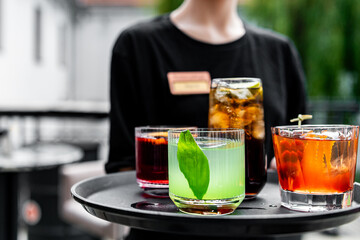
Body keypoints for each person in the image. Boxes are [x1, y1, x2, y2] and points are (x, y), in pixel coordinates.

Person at [106, 0, 306, 239]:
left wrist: (287, 169)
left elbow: (298, 156)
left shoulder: (279, 51)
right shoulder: (137, 46)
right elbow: (122, 167)